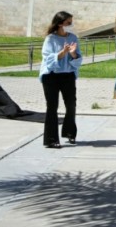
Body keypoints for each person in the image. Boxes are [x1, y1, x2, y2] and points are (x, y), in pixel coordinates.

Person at [38, 11, 82, 149]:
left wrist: (73, 53)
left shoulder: (73, 37)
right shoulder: (50, 39)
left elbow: (78, 59)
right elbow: (48, 60)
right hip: (51, 76)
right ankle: (51, 139)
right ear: (60, 23)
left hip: (67, 76)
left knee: (71, 104)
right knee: (52, 106)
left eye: (71, 22)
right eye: (68, 23)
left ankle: (69, 132)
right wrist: (62, 53)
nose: (71, 25)